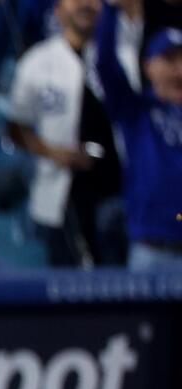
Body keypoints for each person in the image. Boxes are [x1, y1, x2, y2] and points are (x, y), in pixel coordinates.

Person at [8, 0, 126, 267]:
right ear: (58, 10)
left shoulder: (123, 56)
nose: (85, 4)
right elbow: (16, 127)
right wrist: (53, 152)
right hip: (62, 194)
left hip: (120, 188)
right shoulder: (38, 61)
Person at [96, 1, 182, 270]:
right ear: (148, 67)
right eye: (169, 60)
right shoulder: (135, 110)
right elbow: (106, 64)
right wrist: (110, 10)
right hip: (152, 247)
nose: (179, 70)